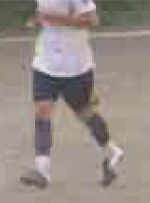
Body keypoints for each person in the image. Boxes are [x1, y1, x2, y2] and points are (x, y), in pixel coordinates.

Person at [20, 0, 124, 189]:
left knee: (84, 112)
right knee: (42, 110)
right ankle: (42, 171)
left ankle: (112, 152)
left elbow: (92, 20)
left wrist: (54, 19)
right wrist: (36, 19)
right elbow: (42, 12)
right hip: (45, 64)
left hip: (77, 68)